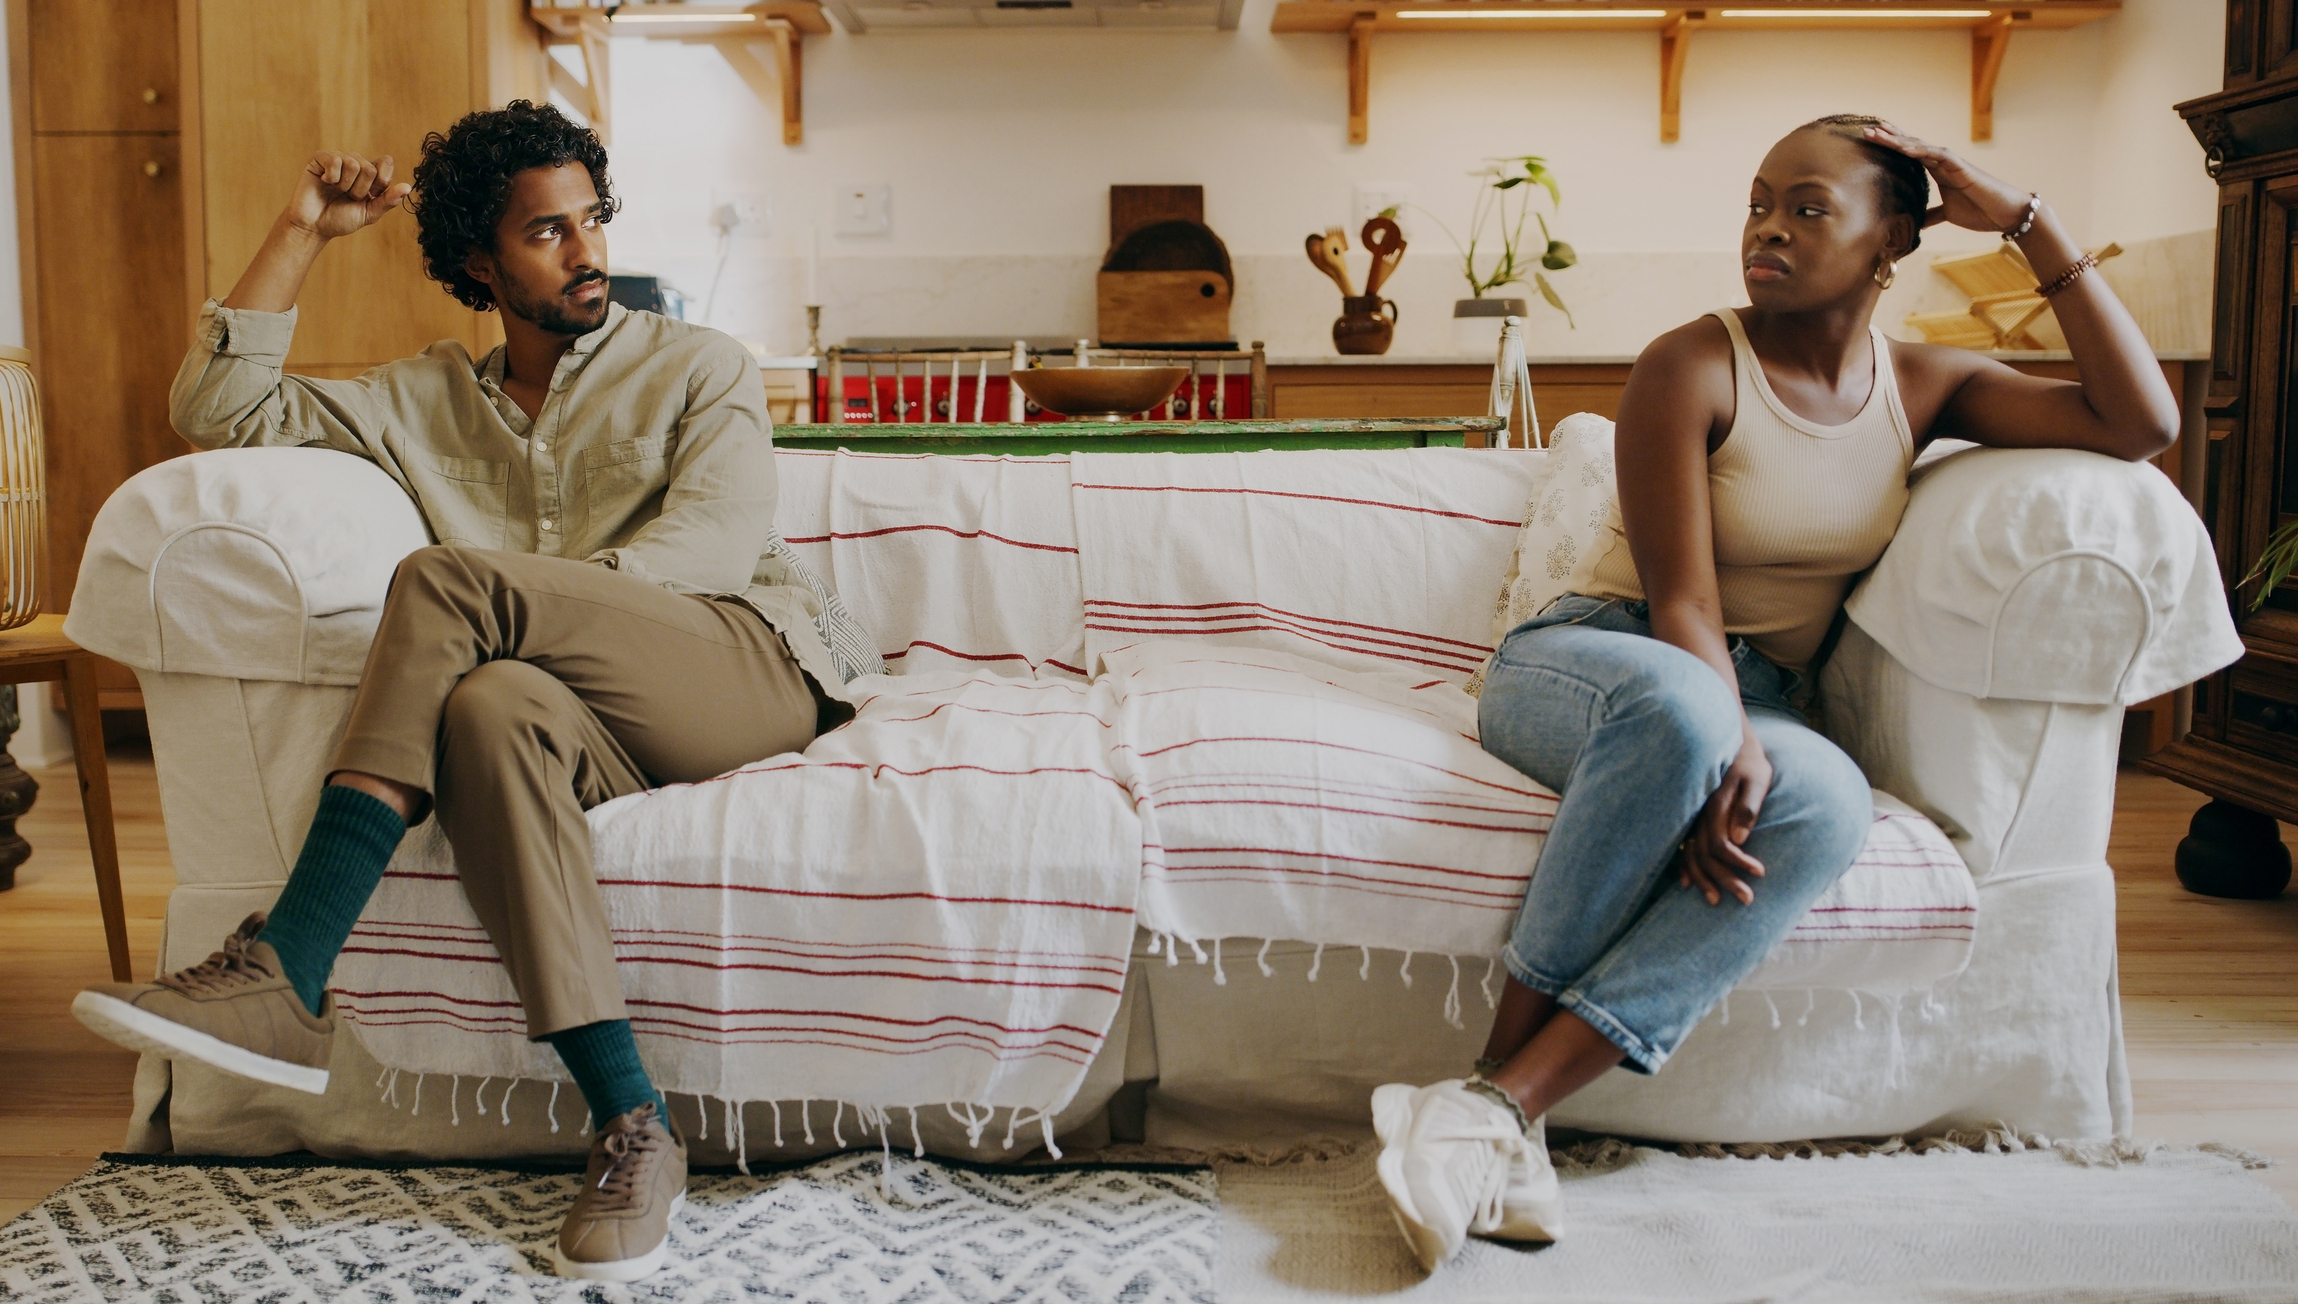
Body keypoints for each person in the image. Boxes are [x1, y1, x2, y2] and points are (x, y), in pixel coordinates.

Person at [70, 101, 876, 1283]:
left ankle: (292, 959)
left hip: (734, 667)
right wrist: (301, 232)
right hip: (568, 711)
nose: (588, 251)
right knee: (488, 708)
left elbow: (702, 555)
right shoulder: (419, 400)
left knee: (453, 586)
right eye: (548, 232)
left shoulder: (698, 366)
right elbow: (216, 411)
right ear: (478, 263)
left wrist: (518, 600)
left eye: (592, 219)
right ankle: (633, 1121)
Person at [1370, 115, 2180, 1271]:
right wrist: (1726, 734)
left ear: (1891, 238)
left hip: (1753, 695)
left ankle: (1497, 1104)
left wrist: (2027, 221)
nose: (1768, 230)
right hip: (1598, 657)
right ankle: (1491, 1100)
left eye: (1809, 208)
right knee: (1684, 715)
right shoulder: (1690, 363)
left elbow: (2139, 422)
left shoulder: (1924, 383)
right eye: (1759, 204)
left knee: (1830, 804)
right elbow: (1682, 600)